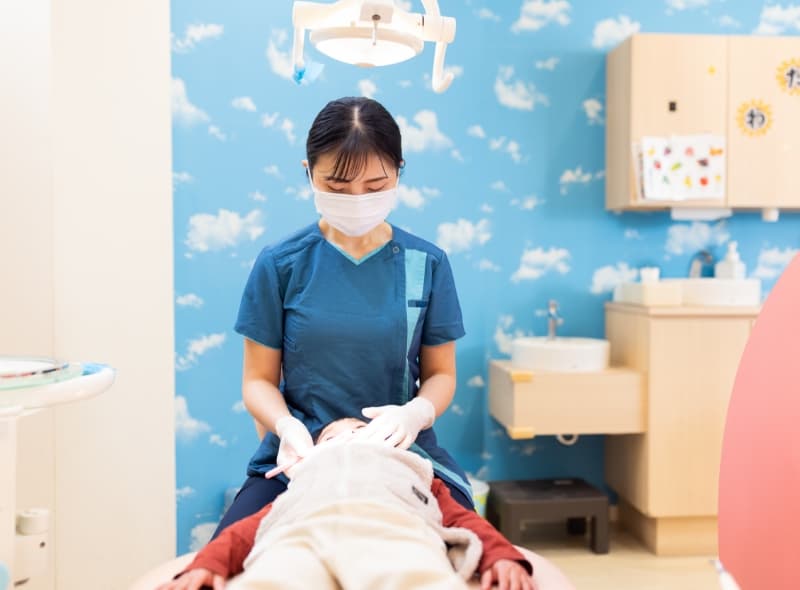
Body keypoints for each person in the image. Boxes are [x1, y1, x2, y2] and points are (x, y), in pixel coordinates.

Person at [213, 96, 474, 538]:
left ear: (398, 172)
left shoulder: (425, 264)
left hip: (402, 454)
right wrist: (287, 427)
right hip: (301, 456)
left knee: (474, 549)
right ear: (309, 173)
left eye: (375, 186)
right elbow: (257, 380)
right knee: (230, 550)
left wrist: (414, 414)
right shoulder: (281, 264)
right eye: (336, 186)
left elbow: (442, 374)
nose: (357, 200)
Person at [159, 418, 535, 590]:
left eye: (361, 430)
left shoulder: (414, 474)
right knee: (276, 576)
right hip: (303, 535)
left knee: (417, 575)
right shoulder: (302, 483)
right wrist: (207, 564)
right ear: (310, 454)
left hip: (393, 532)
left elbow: (463, 520)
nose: (348, 439)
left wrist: (500, 556)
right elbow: (251, 529)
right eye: (330, 438)